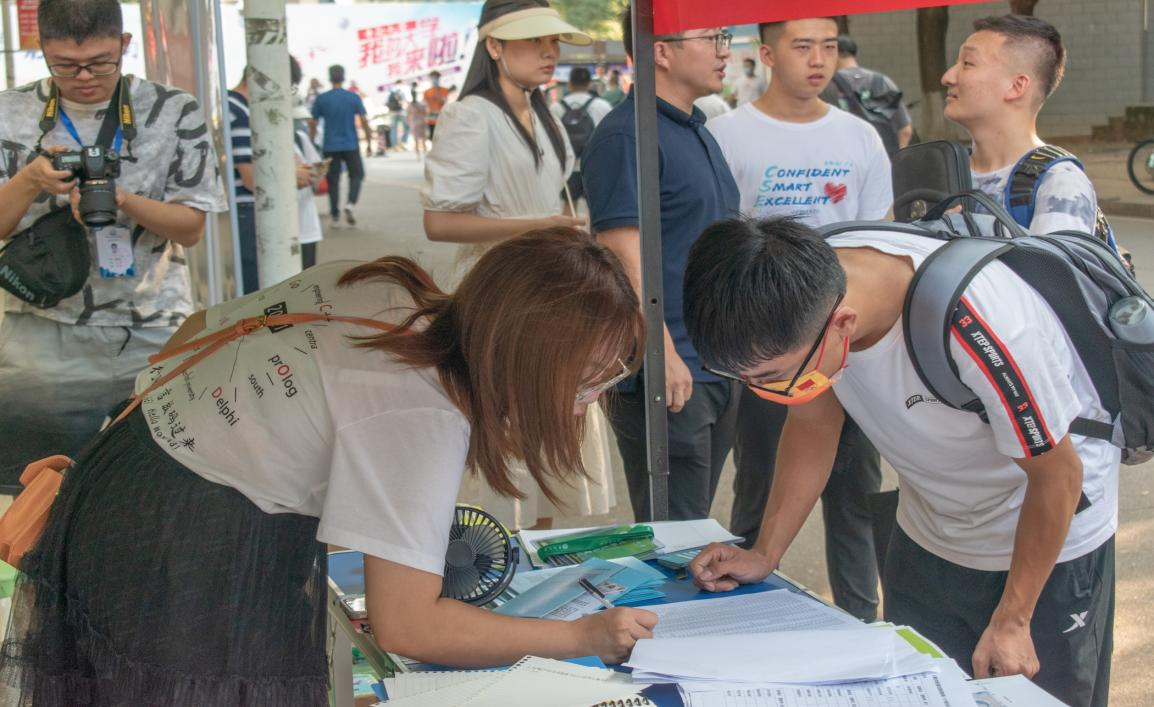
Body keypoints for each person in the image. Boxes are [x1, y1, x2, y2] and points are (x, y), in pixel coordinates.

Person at [1, 229, 659, 705]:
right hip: (184, 543)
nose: (589, 400)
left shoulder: (387, 285)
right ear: (527, 357)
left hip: (124, 465)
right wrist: (581, 634)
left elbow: (194, 329)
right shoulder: (422, 414)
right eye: (588, 378)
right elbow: (409, 625)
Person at [684, 216, 1117, 707]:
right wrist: (766, 552)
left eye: (772, 377)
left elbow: (1058, 475)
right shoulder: (801, 290)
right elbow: (812, 426)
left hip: (1044, 548)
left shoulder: (976, 325)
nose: (762, 392)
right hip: (929, 532)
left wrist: (1015, 619)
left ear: (843, 324)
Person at [705, 17, 893, 622]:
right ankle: (744, 610)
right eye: (802, 46)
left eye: (829, 46)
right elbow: (719, 247)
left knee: (855, 494)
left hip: (847, 345)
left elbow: (879, 238)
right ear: (766, 53)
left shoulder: (860, 136)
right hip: (769, 348)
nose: (819, 60)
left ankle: (860, 620)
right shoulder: (727, 135)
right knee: (761, 485)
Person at [0, 0, 226, 488]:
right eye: (65, 65)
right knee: (37, 488)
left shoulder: (174, 110)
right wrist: (31, 179)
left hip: (154, 326)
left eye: (101, 63)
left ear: (124, 45)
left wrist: (123, 200)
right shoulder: (7, 112)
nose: (84, 77)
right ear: (43, 49)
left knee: (164, 484)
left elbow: (191, 228)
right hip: (43, 332)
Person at [422, 0, 617, 531]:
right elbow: (439, 222)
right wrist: (539, 225)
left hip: (549, 289)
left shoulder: (541, 111)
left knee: (546, 444)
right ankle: (490, 566)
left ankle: (530, 565)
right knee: (503, 443)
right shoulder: (471, 114)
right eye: (534, 40)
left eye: (553, 41)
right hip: (498, 293)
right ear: (493, 46)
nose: (549, 52)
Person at [582, 7, 741, 522]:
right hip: (669, 372)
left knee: (694, 525)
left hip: (717, 361)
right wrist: (661, 352)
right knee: (674, 535)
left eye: (724, 36)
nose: (724, 51)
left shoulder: (695, 128)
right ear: (661, 52)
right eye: (711, 37)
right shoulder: (626, 137)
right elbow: (622, 255)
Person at [943, 16, 1105, 239]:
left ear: (1016, 86)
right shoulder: (942, 175)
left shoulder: (1059, 183)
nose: (947, 77)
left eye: (967, 63)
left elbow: (1050, 263)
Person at [228, 58, 318, 293]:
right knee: (257, 294)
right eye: (285, 87)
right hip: (247, 214)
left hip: (246, 213)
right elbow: (250, 178)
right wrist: (290, 176)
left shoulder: (234, 107)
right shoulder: (239, 111)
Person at [820, 35, 913, 157]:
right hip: (885, 156)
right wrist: (898, 159)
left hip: (847, 158)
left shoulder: (827, 86)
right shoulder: (883, 82)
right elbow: (905, 130)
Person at [310, 64, 373, 230]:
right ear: (343, 77)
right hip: (350, 144)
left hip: (330, 145)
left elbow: (313, 123)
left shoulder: (322, 99)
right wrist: (368, 142)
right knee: (357, 174)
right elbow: (364, 121)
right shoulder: (353, 97)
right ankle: (350, 204)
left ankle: (335, 216)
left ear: (330, 77)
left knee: (333, 180)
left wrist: (310, 142)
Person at [550, 66, 612, 206]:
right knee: (595, 209)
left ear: (570, 84)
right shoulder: (602, 105)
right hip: (595, 166)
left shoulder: (556, 107)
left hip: (568, 167)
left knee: (569, 206)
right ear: (590, 84)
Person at [424, 70, 451, 140]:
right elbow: (425, 105)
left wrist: (436, 91)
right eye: (432, 78)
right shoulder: (426, 92)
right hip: (431, 117)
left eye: (436, 78)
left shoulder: (445, 90)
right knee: (432, 137)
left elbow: (444, 102)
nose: (434, 79)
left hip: (443, 116)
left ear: (439, 78)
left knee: (443, 137)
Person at [387, 79, 410, 151]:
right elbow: (407, 100)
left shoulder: (390, 91)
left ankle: (395, 145)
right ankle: (403, 142)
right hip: (401, 112)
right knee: (407, 127)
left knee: (393, 129)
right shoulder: (403, 89)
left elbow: (386, 102)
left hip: (392, 112)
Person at [408, 87, 430, 159]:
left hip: (416, 122)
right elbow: (426, 112)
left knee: (419, 139)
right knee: (421, 139)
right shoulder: (420, 104)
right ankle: (422, 155)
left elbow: (408, 114)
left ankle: (420, 155)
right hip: (419, 122)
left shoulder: (412, 104)